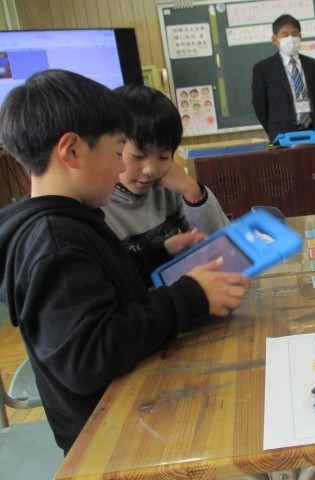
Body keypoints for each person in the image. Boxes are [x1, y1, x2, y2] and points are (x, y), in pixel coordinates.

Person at [0, 70, 251, 454]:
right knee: (240, 425)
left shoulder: (72, 221)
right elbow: (89, 357)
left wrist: (157, 253)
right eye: (118, 152)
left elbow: (104, 283)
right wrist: (189, 296)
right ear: (71, 151)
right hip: (111, 439)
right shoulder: (55, 241)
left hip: (132, 403)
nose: (121, 169)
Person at [102, 84, 228, 257]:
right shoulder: (99, 204)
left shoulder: (169, 186)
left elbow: (220, 245)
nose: (150, 170)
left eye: (163, 157)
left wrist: (192, 191)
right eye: (138, 156)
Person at [252, 14, 315, 142]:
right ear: (275, 39)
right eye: (285, 35)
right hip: (282, 135)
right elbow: (260, 105)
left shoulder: (313, 65)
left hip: (313, 132)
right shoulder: (263, 68)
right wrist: (274, 129)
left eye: (295, 34)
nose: (291, 38)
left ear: (300, 36)